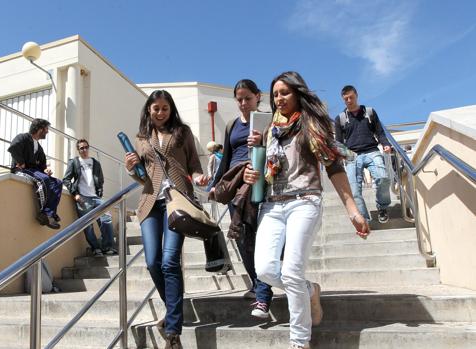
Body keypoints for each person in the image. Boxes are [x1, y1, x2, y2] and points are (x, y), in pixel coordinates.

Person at [243, 71, 370, 349]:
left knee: (290, 272)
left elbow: (334, 166)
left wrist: (352, 209)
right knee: (264, 269)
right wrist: (252, 175)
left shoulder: (312, 125)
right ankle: (310, 290)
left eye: (285, 93)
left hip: (305, 201)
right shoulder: (268, 130)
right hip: (273, 204)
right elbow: (264, 169)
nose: (279, 98)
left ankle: (300, 342)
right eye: (275, 94)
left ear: (298, 94)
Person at [124, 90, 209, 349]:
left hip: (178, 201)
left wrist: (197, 178)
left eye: (165, 108)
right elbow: (142, 176)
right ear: (148, 110)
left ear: (170, 109)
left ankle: (172, 331)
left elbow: (194, 164)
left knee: (170, 261)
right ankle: (173, 310)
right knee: (153, 262)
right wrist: (131, 168)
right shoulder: (140, 139)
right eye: (156, 108)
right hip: (150, 203)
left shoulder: (182, 132)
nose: (160, 113)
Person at [210, 79, 274, 319]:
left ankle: (263, 288)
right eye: (239, 99)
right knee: (241, 236)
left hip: (259, 182)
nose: (244, 103)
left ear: (258, 97)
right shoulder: (231, 125)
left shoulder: (269, 122)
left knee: (259, 236)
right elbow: (225, 157)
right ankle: (258, 284)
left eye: (248, 98)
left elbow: (278, 153)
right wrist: (217, 185)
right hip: (235, 183)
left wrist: (262, 142)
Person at [335, 85, 392, 223]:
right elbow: (338, 142)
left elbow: (379, 132)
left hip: (372, 150)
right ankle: (364, 219)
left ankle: (382, 207)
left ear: (356, 95)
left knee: (383, 178)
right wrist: (344, 155)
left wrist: (385, 144)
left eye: (351, 97)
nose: (349, 101)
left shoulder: (369, 112)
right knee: (354, 191)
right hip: (352, 155)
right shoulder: (340, 118)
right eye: (346, 99)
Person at [62, 139, 118, 256]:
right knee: (87, 225)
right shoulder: (75, 162)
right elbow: (66, 179)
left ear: (88, 147)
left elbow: (100, 179)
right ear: (78, 150)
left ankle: (107, 247)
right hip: (83, 198)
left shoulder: (96, 163)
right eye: (81, 148)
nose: (84, 150)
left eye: (86, 147)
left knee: (106, 219)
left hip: (96, 197)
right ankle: (95, 248)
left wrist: (99, 192)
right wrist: (75, 194)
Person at [7, 118, 63, 229]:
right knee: (44, 180)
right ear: (39, 129)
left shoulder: (39, 147)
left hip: (35, 172)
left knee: (58, 182)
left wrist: (46, 170)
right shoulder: (22, 137)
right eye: (46, 129)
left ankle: (49, 213)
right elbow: (13, 148)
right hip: (21, 170)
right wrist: (21, 162)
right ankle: (44, 213)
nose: (47, 131)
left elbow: (42, 166)